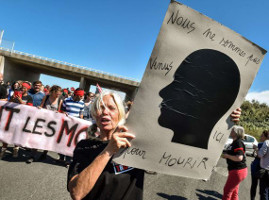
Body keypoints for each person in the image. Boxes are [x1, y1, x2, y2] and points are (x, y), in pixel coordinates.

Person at [67, 91, 143, 200]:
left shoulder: (133, 143)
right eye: (100, 108)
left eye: (112, 108)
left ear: (120, 114)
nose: (105, 112)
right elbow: (77, 193)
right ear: (94, 114)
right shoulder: (84, 146)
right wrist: (109, 150)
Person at [0, 82, 33, 159]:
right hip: (11, 118)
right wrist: (12, 98)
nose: (22, 89)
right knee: (6, 134)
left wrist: (21, 101)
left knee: (17, 135)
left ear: (27, 89)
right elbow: (8, 103)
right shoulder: (15, 94)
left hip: (21, 119)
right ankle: (3, 150)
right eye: (21, 87)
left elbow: (30, 108)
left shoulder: (29, 97)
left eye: (24, 88)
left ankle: (15, 150)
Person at [59, 88, 85, 166]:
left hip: (75, 125)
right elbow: (62, 110)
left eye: (82, 96)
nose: (81, 98)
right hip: (65, 124)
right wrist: (63, 113)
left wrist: (81, 121)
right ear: (75, 94)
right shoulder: (66, 100)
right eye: (80, 96)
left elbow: (81, 114)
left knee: (71, 142)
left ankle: (68, 160)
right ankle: (61, 157)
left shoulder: (81, 103)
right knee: (63, 141)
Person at [37, 85, 63, 161]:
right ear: (53, 92)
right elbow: (42, 105)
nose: (58, 95)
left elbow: (59, 111)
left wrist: (59, 113)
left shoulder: (59, 100)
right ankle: (33, 154)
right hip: (43, 120)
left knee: (48, 138)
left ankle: (44, 153)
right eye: (57, 93)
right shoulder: (47, 97)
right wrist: (40, 108)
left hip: (52, 123)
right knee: (38, 136)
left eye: (59, 94)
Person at [221, 125, 248, 200]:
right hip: (237, 170)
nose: (230, 131)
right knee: (234, 192)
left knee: (227, 191)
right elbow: (230, 152)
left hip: (237, 171)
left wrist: (227, 156)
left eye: (232, 130)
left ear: (236, 133)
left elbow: (239, 158)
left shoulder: (238, 143)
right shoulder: (235, 142)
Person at [26, 80, 45, 163]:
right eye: (36, 85)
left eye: (38, 85)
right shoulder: (28, 92)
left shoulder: (43, 95)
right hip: (26, 115)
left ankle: (32, 154)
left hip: (37, 117)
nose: (37, 86)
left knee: (34, 134)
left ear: (41, 86)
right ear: (33, 86)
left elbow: (43, 106)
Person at [250, 131, 268, 200]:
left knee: (254, 186)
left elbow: (258, 155)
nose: (260, 136)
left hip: (258, 168)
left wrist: (256, 148)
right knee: (262, 189)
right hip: (263, 169)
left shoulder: (261, 144)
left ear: (266, 137)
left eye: (262, 135)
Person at [257, 130, 269, 200]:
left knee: (263, 192)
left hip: (265, 171)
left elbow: (260, 155)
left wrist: (257, 150)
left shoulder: (267, 142)